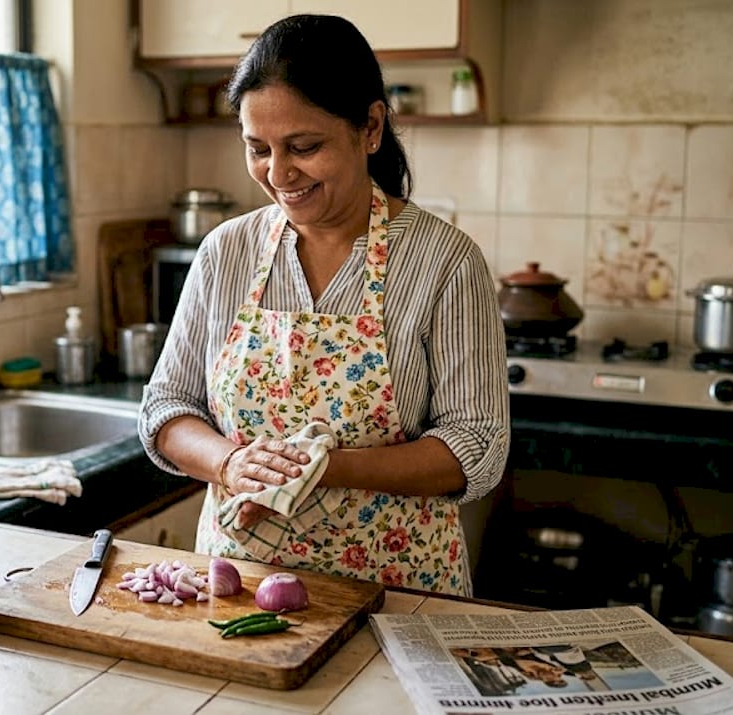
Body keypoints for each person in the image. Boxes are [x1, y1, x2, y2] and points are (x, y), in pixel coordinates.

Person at [138, 14, 509, 595]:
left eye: (304, 147)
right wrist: (228, 463)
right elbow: (167, 408)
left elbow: (475, 446)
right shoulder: (225, 253)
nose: (279, 173)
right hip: (241, 589)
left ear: (370, 128)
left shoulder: (446, 261)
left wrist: (324, 467)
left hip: (401, 597)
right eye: (257, 149)